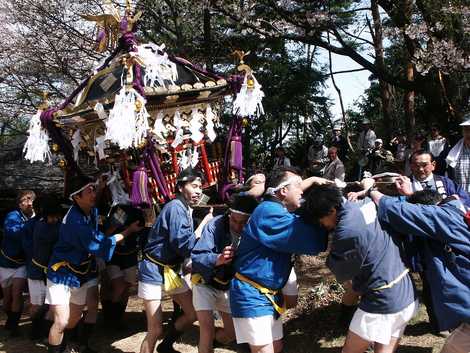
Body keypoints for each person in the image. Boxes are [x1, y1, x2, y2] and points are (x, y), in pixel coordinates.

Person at [304, 184, 417, 353]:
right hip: (405, 290)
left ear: (331, 211)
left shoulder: (347, 230)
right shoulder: (365, 203)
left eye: (320, 220)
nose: (321, 224)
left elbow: (342, 271)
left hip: (381, 301)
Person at [230, 167, 328, 353]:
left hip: (267, 295)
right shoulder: (269, 211)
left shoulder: (275, 208)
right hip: (252, 294)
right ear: (283, 191)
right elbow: (301, 234)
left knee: (277, 347)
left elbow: (296, 216)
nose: (302, 190)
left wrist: (313, 179)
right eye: (298, 186)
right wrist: (326, 215)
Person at [367, 176, 470, 353]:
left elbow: (394, 208)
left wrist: (370, 189)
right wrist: (411, 194)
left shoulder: (443, 218)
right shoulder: (455, 208)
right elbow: (428, 209)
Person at [46, 175, 142, 353]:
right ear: (76, 197)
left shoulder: (89, 210)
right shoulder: (76, 222)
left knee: (74, 318)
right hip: (61, 272)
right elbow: (101, 246)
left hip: (80, 273)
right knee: (62, 320)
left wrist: (101, 186)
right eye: (89, 191)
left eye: (93, 189)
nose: (93, 193)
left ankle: (67, 345)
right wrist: (128, 231)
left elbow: (95, 200)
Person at [138, 170, 213, 353]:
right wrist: (204, 224)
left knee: (193, 312)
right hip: (153, 268)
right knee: (155, 328)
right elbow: (184, 245)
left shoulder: (185, 208)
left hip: (170, 270)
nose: (198, 192)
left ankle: (165, 346)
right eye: (193, 186)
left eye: (200, 188)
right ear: (180, 187)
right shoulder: (176, 207)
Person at [191, 195, 259, 353]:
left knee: (232, 333)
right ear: (229, 215)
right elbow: (198, 257)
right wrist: (218, 258)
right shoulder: (215, 224)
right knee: (206, 330)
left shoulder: (257, 230)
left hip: (229, 286)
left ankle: (214, 342)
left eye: (243, 222)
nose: (237, 226)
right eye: (234, 220)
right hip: (204, 282)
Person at [26, 195, 63, 340]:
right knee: (37, 305)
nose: (54, 220)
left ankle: (45, 332)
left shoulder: (59, 226)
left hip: (53, 272)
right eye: (51, 217)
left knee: (52, 305)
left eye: (56, 217)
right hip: (37, 271)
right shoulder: (41, 227)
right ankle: (35, 331)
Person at [1, 190, 36, 336]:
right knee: (7, 297)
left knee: (17, 293)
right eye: (23, 200)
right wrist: (30, 226)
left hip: (22, 264)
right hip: (6, 262)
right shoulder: (12, 216)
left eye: (29, 199)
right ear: (19, 203)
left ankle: (14, 326)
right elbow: (13, 232)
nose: (27, 202)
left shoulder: (36, 218)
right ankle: (10, 320)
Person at [446, 115, 470, 192]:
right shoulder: (453, 154)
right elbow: (450, 177)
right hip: (461, 197)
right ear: (462, 131)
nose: (469, 133)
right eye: (466, 129)